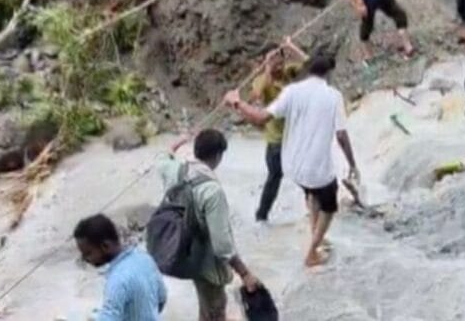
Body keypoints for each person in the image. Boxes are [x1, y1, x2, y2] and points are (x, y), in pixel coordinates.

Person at [224, 54, 359, 269]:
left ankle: (315, 235)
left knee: (312, 193)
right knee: (330, 206)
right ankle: (312, 253)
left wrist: (237, 103)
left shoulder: (291, 91)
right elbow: (341, 135)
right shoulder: (334, 96)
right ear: (328, 74)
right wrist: (352, 163)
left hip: (293, 166)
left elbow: (260, 117)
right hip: (316, 168)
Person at [156, 129, 260, 321]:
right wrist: (245, 274)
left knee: (207, 307)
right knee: (215, 309)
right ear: (218, 155)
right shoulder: (212, 191)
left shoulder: (175, 170)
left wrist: (178, 142)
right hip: (205, 262)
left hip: (180, 249)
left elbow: (162, 157)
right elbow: (222, 246)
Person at [252, 38, 308, 222]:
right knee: (275, 178)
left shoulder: (289, 73)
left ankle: (314, 210)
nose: (278, 60)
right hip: (276, 140)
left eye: (280, 55)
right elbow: (259, 96)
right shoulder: (260, 80)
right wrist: (267, 68)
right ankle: (261, 216)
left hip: (295, 136)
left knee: (306, 174)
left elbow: (310, 65)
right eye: (273, 57)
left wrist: (291, 47)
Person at [74, 213, 166, 321]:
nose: (85, 259)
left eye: (88, 253)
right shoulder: (144, 259)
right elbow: (162, 298)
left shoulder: (117, 281)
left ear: (105, 246)